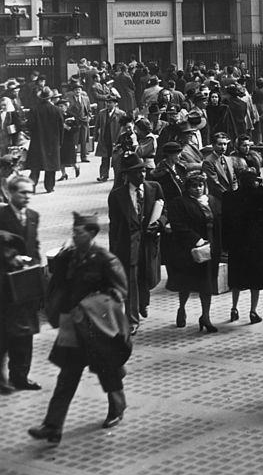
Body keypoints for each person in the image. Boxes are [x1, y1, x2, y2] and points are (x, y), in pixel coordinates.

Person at [27, 213, 130, 444]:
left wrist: (91, 304)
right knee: (67, 377)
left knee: (108, 371)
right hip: (73, 327)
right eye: (73, 230)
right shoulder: (69, 256)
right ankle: (52, 426)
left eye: (79, 231)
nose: (74, 234)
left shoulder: (105, 259)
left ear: (92, 233)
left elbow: (119, 292)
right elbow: (58, 285)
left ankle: (117, 407)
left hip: (97, 328)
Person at [107, 155, 165, 333]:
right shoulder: (117, 195)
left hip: (149, 243)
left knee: (147, 277)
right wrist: (113, 252)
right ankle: (132, 319)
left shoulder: (154, 188)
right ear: (127, 175)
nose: (142, 174)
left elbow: (164, 210)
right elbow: (114, 225)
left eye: (143, 170)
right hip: (128, 244)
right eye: (137, 171)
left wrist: (159, 223)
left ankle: (143, 303)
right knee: (131, 282)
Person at [163, 171, 221, 333]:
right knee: (186, 283)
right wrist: (197, 240)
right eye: (194, 186)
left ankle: (205, 317)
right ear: (187, 188)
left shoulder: (213, 201)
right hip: (189, 250)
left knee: (207, 285)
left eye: (200, 185)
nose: (197, 189)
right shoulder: (179, 203)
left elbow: (219, 223)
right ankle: (182, 308)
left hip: (210, 249)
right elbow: (178, 225)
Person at [0, 177, 41, 393]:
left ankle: (20, 377)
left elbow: (34, 246)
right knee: (3, 336)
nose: (27, 197)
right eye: (23, 192)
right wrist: (10, 258)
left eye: (30, 193)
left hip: (25, 286)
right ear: (11, 193)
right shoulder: (1, 215)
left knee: (25, 334)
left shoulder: (33, 216)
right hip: (4, 286)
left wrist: (36, 267)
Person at [220, 167, 263, 324]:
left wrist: (226, 244)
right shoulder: (261, 196)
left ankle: (234, 308)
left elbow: (225, 223)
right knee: (255, 280)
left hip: (237, 245)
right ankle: (253, 311)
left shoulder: (229, 197)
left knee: (236, 278)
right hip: (257, 245)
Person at [26, 87, 63, 194]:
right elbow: (61, 128)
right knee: (51, 167)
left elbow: (30, 125)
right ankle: (49, 187)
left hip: (38, 142)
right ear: (50, 98)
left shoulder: (34, 110)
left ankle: (31, 186)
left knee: (35, 167)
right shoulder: (57, 110)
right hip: (53, 142)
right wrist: (60, 142)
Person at [94, 93, 127, 183]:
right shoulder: (102, 113)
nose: (108, 104)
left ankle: (118, 176)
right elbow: (97, 126)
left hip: (116, 139)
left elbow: (124, 127)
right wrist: (96, 137)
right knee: (104, 158)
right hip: (105, 139)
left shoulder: (121, 113)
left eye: (110, 102)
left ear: (115, 103)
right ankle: (103, 175)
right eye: (107, 102)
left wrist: (122, 139)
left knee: (116, 160)